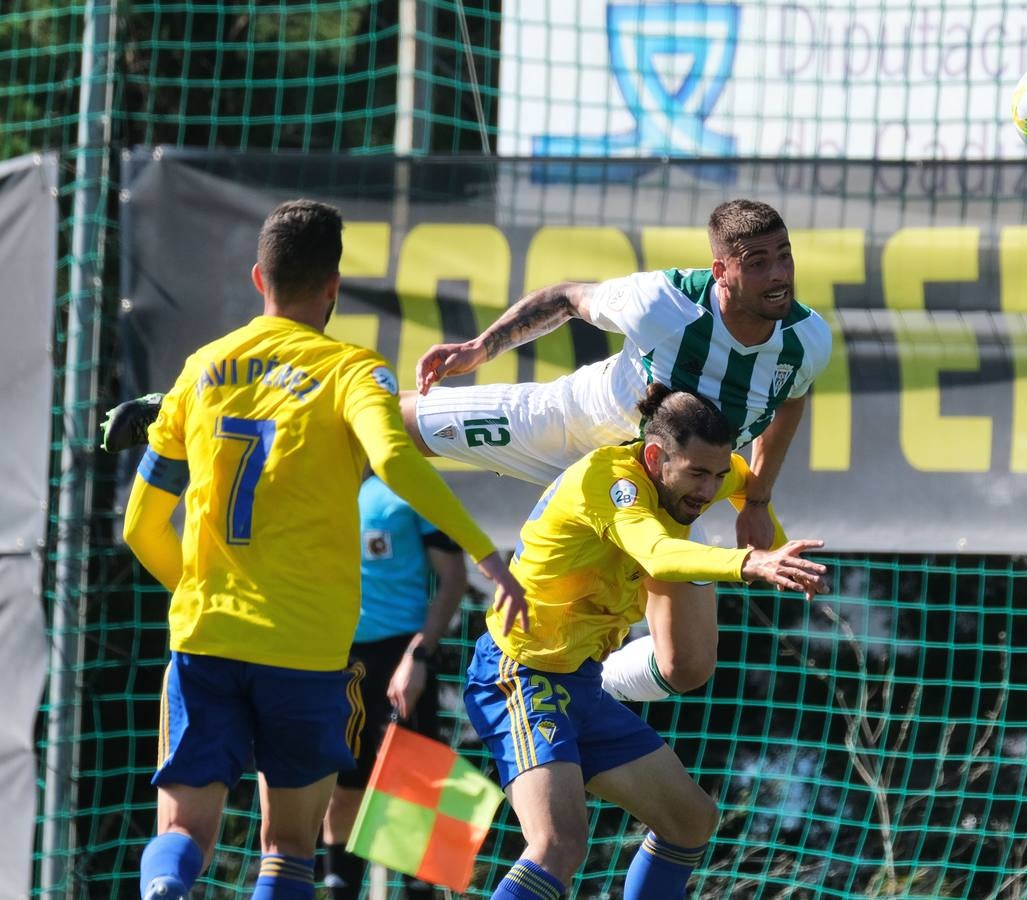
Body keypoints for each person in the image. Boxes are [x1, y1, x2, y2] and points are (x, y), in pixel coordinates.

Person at [103, 198, 831, 703]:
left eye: (785, 257)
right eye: (759, 262)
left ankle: (591, 683)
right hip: (564, 425)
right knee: (385, 421)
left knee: (688, 666)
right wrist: (483, 346)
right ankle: (174, 406)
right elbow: (566, 295)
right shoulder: (663, 302)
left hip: (642, 492)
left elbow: (792, 395)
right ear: (723, 268)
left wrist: (758, 497)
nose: (779, 275)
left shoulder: (807, 340)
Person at [120, 199, 526, 900]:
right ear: (334, 286)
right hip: (309, 652)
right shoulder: (353, 371)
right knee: (289, 852)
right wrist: (489, 556)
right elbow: (397, 462)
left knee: (184, 835)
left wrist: (200, 593)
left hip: (211, 638)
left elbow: (139, 528)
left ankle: (164, 892)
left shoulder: (200, 369)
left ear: (258, 278)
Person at [464, 384, 828, 900]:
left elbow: (746, 481)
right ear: (655, 457)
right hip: (519, 676)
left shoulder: (701, 475)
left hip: (580, 685)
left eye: (716, 475)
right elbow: (655, 554)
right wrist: (752, 562)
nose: (708, 491)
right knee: (558, 845)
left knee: (690, 820)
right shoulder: (613, 483)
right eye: (697, 475)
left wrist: (761, 513)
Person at [321, 475, 467, 900]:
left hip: (401, 658)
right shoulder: (325, 479)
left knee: (415, 796)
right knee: (343, 788)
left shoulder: (413, 485)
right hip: (337, 660)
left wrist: (418, 656)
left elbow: (453, 578)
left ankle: (422, 890)